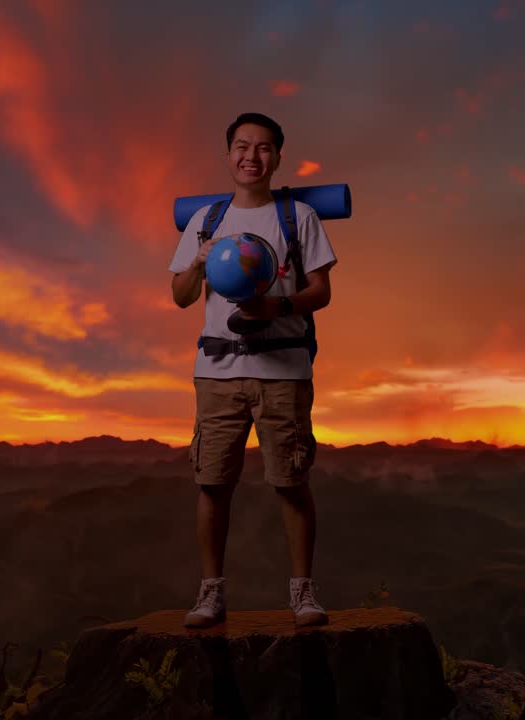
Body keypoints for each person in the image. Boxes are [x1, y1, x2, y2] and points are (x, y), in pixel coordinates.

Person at [167, 112, 337, 628]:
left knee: (290, 480)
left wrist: (277, 310)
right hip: (216, 370)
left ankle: (303, 593)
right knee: (213, 482)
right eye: (242, 146)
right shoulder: (206, 220)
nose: (252, 156)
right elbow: (179, 297)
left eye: (264, 148)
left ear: (278, 157)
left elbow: (321, 292)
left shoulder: (298, 216)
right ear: (228, 155)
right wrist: (197, 263)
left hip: (284, 368)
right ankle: (210, 593)